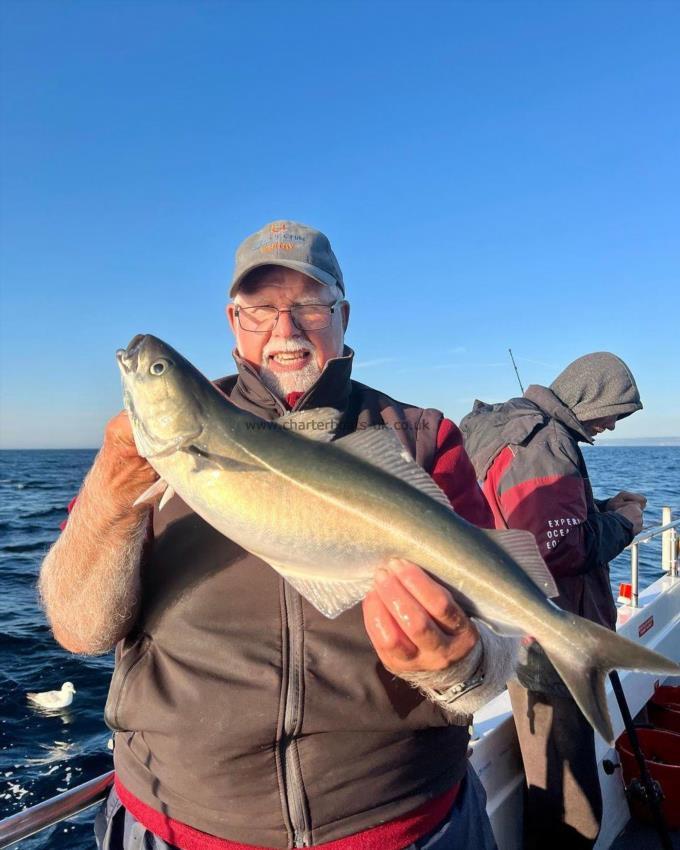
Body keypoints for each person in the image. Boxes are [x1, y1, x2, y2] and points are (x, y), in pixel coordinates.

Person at [39, 220, 516, 850]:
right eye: (261, 308)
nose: (285, 330)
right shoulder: (149, 449)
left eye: (310, 305)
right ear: (233, 320)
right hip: (173, 827)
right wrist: (113, 487)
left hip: (405, 827)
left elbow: (508, 638)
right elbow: (79, 629)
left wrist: (461, 669)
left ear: (343, 314)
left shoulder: (425, 438)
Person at [460, 353, 645, 850]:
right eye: (613, 413)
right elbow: (557, 547)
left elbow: (532, 526)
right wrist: (626, 523)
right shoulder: (543, 442)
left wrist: (603, 508)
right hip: (549, 641)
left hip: (533, 631)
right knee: (573, 808)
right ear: (589, 398)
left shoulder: (523, 433)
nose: (609, 426)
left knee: (559, 790)